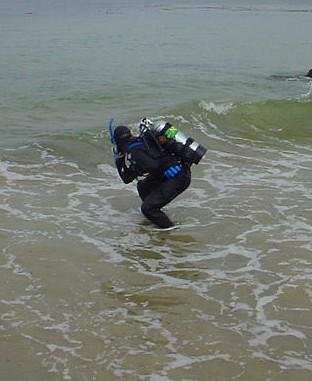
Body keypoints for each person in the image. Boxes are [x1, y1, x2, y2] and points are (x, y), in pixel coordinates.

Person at [111, 118, 204, 229]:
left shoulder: (133, 151)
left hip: (178, 177)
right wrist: (120, 160)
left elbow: (152, 166)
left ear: (117, 141)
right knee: (142, 187)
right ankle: (157, 215)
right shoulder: (139, 142)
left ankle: (170, 231)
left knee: (147, 209)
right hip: (176, 171)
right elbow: (127, 179)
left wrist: (135, 168)